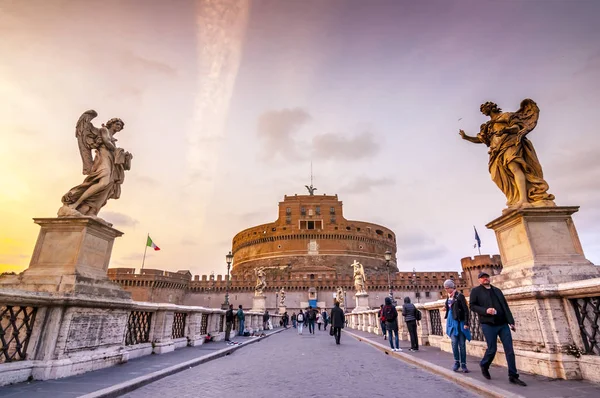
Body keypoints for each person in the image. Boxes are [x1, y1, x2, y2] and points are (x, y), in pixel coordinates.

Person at [470, 272, 527, 386]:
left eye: (486, 277)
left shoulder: (497, 290)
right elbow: (472, 306)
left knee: (509, 350)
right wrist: (485, 310)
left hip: (502, 324)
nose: (485, 279)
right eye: (482, 278)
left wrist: (511, 322)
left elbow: (505, 306)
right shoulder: (476, 291)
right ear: (479, 280)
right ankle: (484, 364)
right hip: (488, 324)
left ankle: (513, 375)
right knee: (492, 349)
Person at [444, 279, 471, 373]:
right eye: (445, 288)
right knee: (454, 343)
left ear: (451, 287)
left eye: (447, 288)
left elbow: (466, 310)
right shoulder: (448, 297)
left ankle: (463, 364)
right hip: (451, 323)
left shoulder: (460, 296)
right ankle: (456, 362)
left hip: (460, 322)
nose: (446, 290)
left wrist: (466, 323)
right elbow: (449, 307)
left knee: (462, 345)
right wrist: (446, 310)